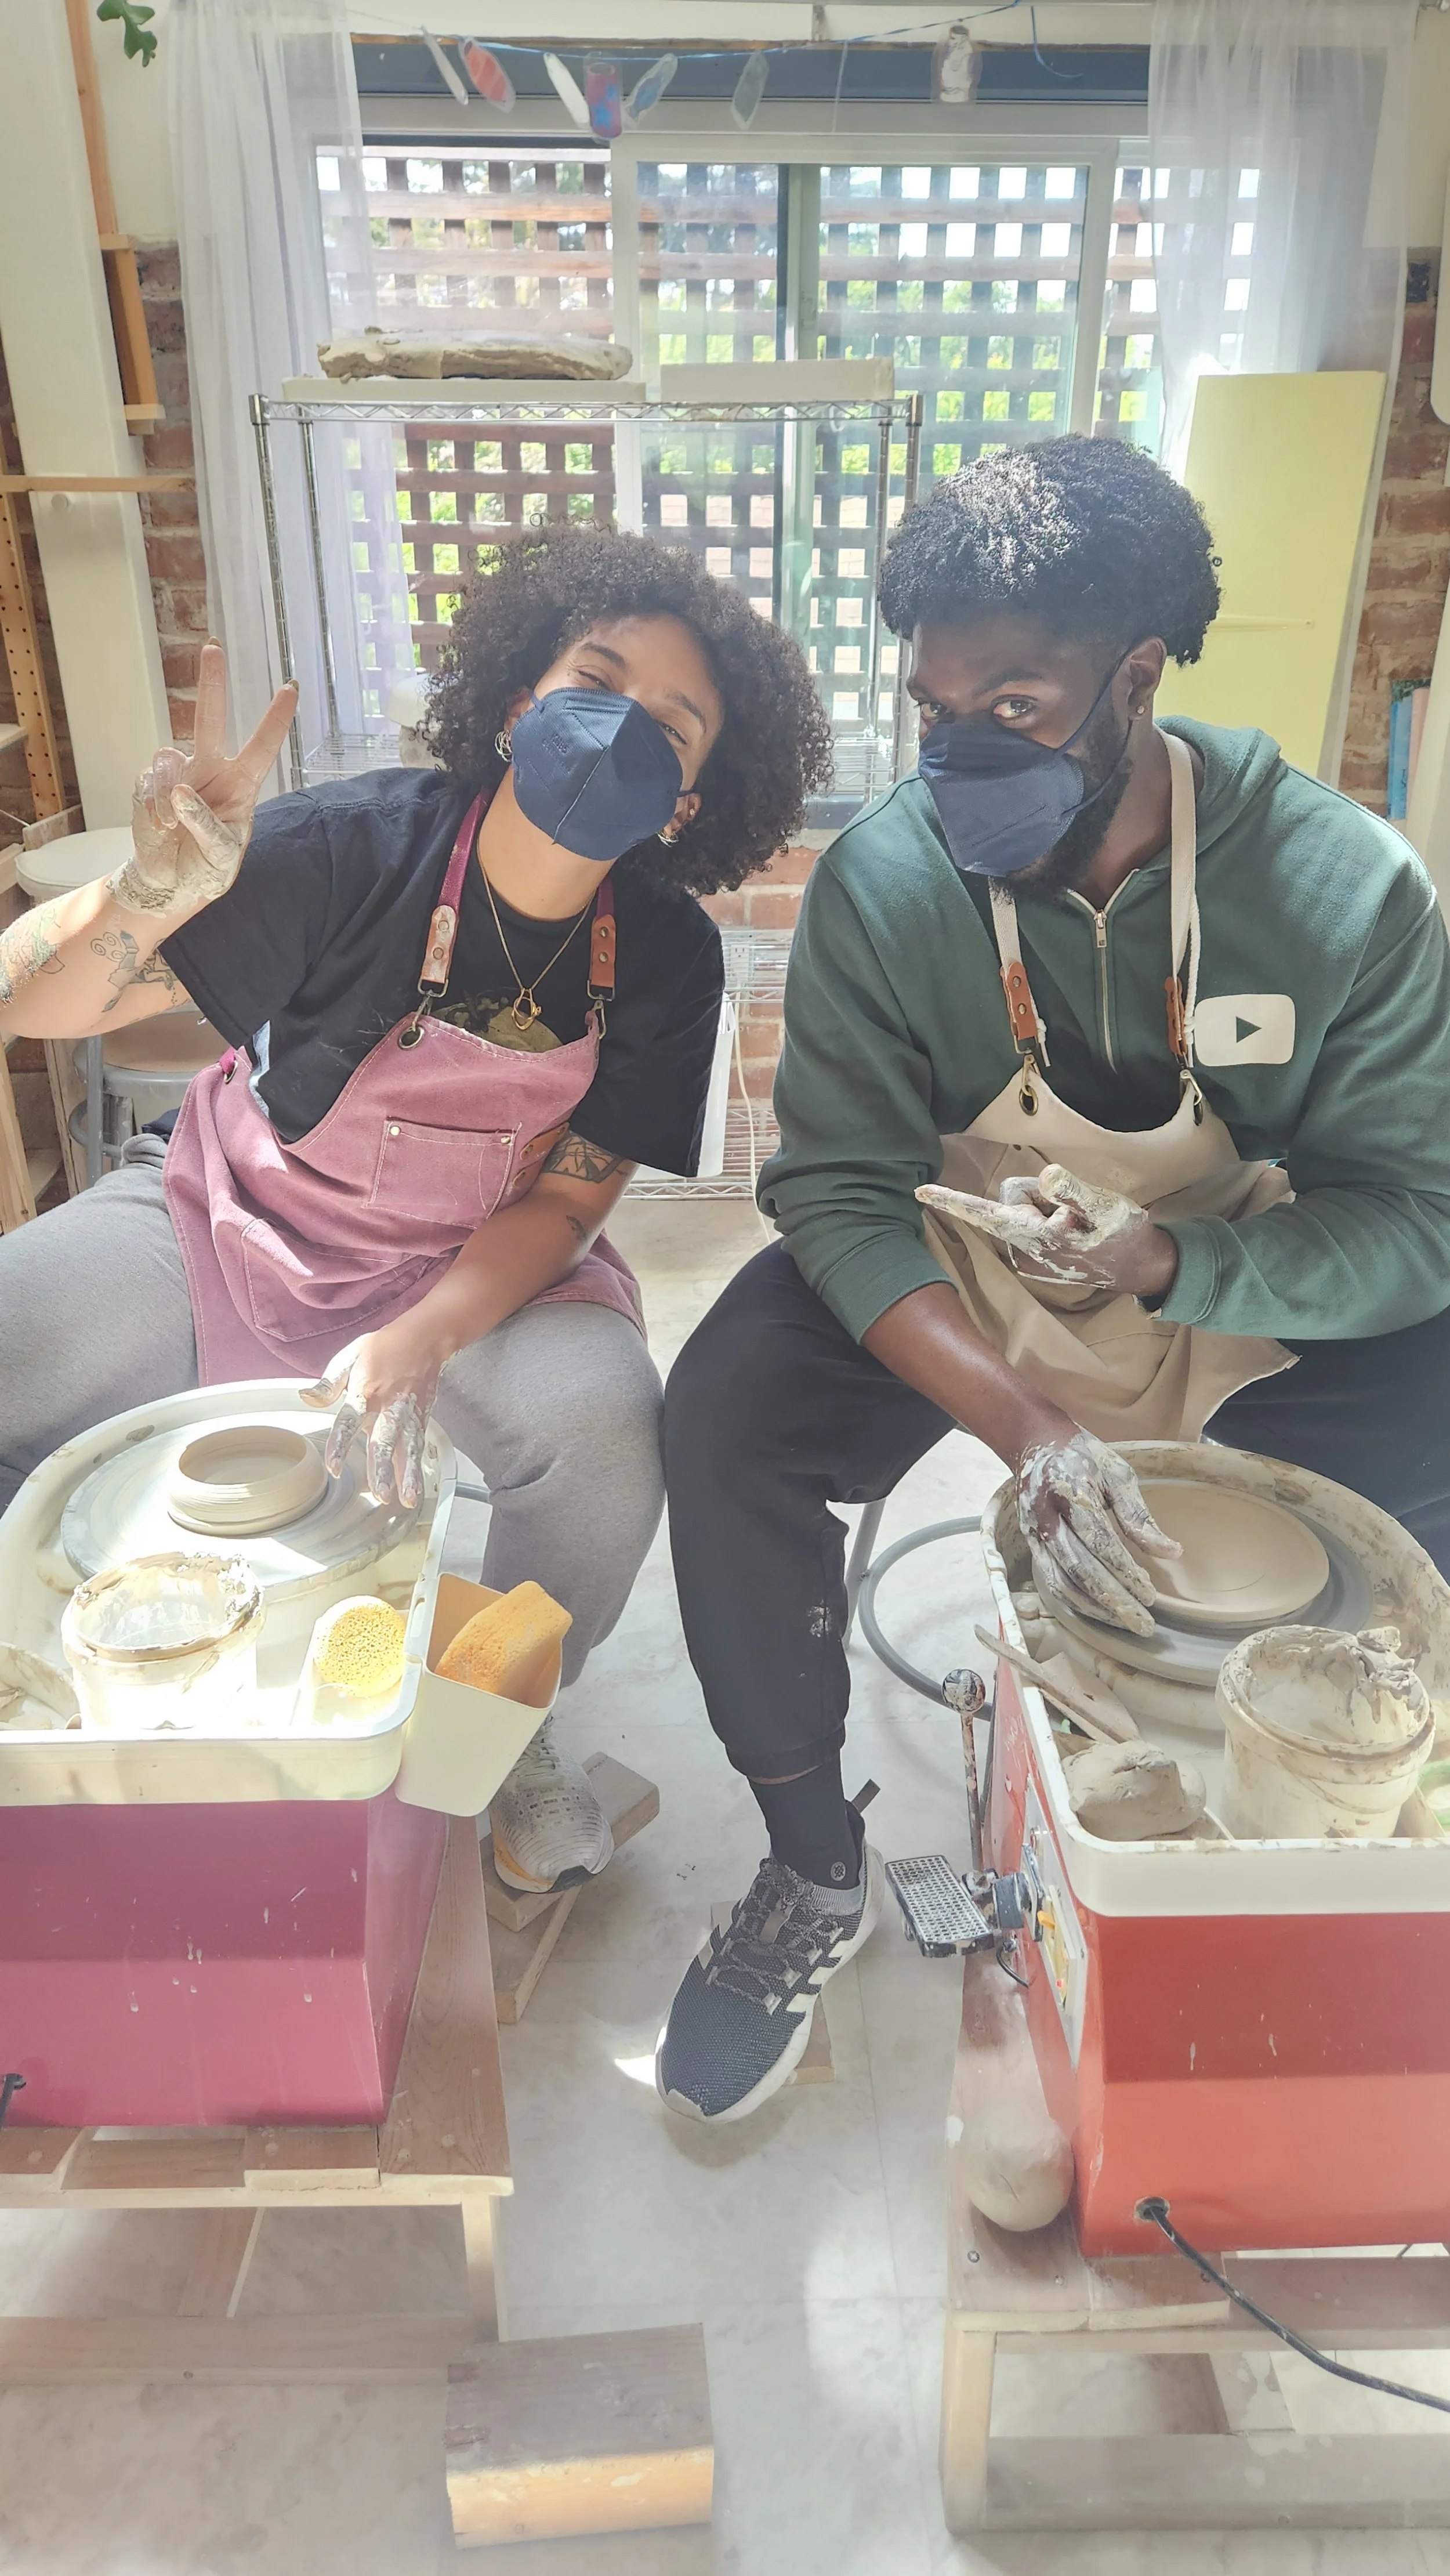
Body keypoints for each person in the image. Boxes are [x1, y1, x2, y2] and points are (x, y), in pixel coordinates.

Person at [657, 435, 1450, 2123]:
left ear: (1137, 673)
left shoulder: (1338, 891)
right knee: (725, 1410)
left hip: (1236, 1268)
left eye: (1013, 706)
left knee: (1433, 1430)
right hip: (973, 1255)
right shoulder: (888, 880)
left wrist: (1180, 1255)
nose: (962, 750)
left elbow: (1416, 1219)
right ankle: (808, 1869)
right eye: (934, 708)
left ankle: (1311, 1835)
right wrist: (1024, 1421)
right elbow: (836, 1191)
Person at [0, 527, 830, 1893]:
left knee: (606, 1436)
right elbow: (40, 1002)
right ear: (518, 705)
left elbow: (568, 1202)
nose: (622, 726)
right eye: (596, 678)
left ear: (685, 800)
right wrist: (157, 889)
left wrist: (430, 1333)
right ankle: (57, 1701)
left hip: (483, 1267)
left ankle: (501, 1725)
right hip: (232, 1208)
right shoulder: (347, 849)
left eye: (671, 724)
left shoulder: (667, 961)